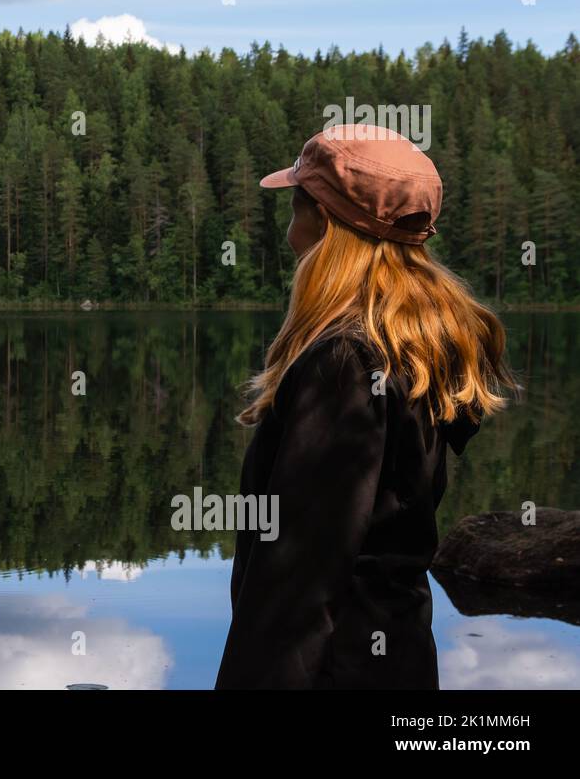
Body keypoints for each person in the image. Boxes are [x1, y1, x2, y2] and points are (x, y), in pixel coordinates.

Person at [214, 123, 516, 689]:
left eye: (295, 212)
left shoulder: (346, 364)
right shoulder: (416, 348)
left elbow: (297, 589)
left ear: (324, 225)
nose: (289, 236)